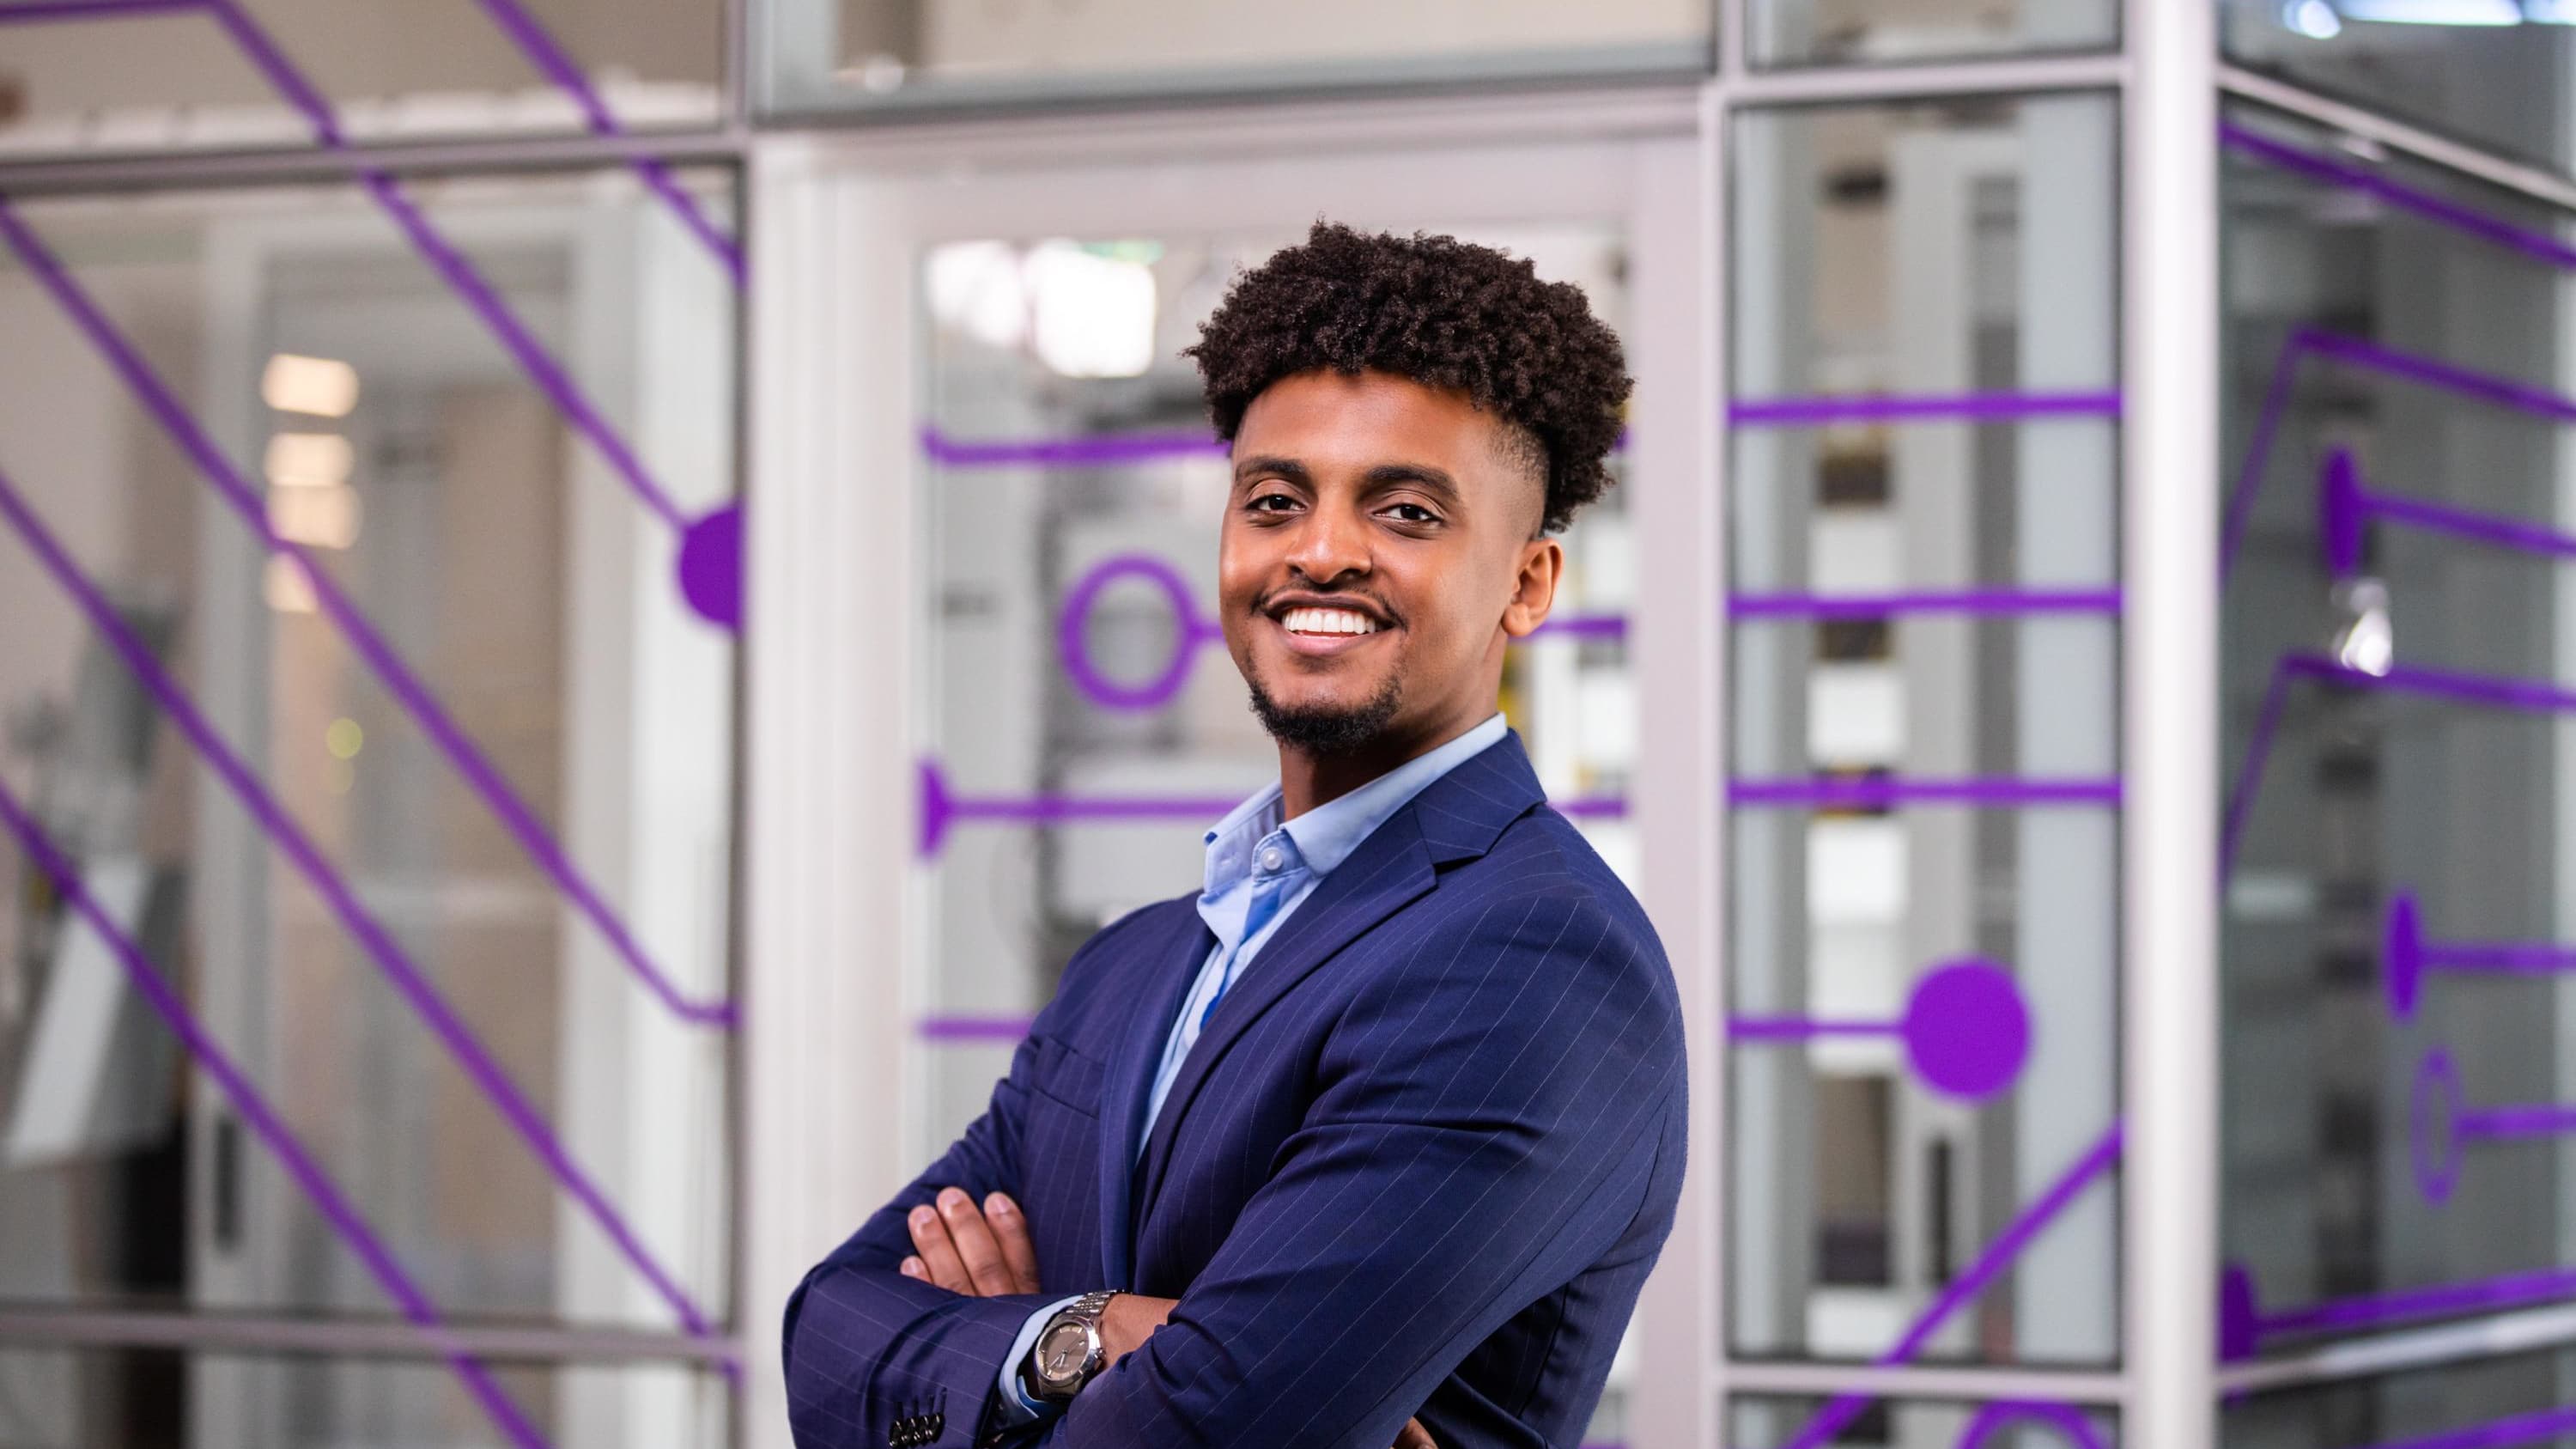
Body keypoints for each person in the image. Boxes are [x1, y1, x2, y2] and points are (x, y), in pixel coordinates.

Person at [781, 221, 1686, 1449]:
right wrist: (1090, 1337)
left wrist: (1017, 1353)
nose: (1320, 551)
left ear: (1528, 583)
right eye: (1274, 500)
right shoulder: (1135, 966)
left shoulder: (1532, 959)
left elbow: (1204, 1431)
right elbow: (825, 1338)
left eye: (1407, 510)